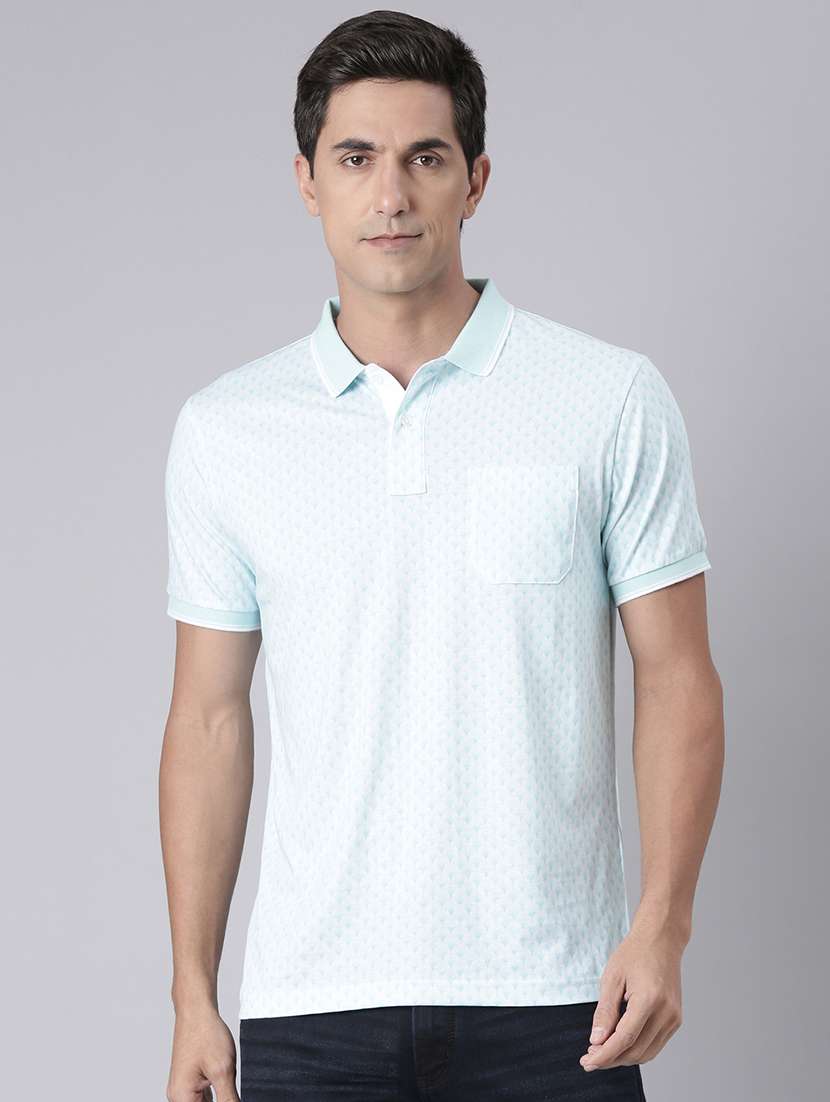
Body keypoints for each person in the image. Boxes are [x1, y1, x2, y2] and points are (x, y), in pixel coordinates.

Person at [160, 10, 724, 1101]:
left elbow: (677, 677)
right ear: (305, 180)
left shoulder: (605, 397)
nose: (390, 195)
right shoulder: (227, 430)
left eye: (425, 158)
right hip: (311, 1005)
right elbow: (208, 719)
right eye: (354, 158)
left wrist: (662, 927)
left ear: (475, 180)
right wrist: (192, 990)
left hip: (558, 999)